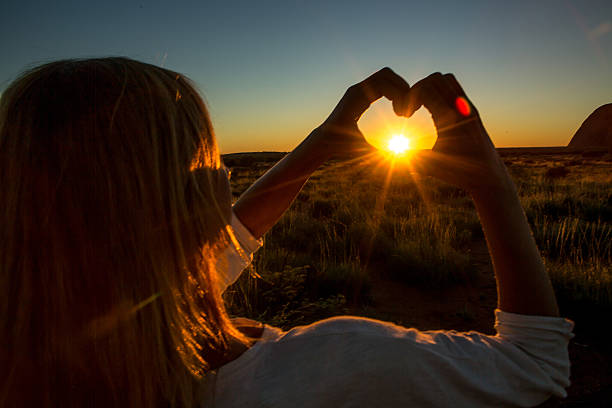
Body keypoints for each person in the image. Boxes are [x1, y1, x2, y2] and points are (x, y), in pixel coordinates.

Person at [0, 58, 572, 407]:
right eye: (211, 162)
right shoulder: (342, 366)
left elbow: (198, 259)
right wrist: (491, 179)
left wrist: (321, 144)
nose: (225, 176)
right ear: (195, 204)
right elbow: (538, 367)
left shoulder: (49, 355)